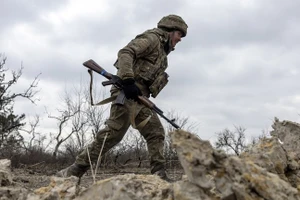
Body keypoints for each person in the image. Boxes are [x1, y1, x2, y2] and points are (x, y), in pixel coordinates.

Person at [56, 14, 188, 182]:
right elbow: (126, 52)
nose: (180, 39)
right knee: (115, 134)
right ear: (169, 30)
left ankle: (160, 176)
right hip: (127, 93)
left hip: (139, 97)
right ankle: (73, 172)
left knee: (152, 133)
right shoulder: (152, 39)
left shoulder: (163, 52)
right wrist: (128, 80)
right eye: (179, 34)